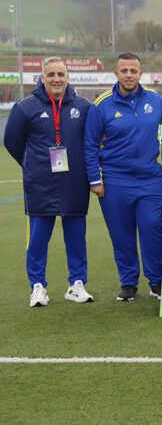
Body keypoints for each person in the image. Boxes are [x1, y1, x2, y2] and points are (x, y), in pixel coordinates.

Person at [84, 52, 162, 301]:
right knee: (121, 233)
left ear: (140, 73)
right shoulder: (101, 104)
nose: (129, 75)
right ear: (116, 73)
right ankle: (128, 283)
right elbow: (90, 145)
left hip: (149, 180)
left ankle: (157, 282)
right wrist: (95, 180)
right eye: (124, 70)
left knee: (152, 227)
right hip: (114, 181)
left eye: (133, 70)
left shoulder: (154, 100)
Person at [4, 57, 93, 306]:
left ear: (68, 77)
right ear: (42, 78)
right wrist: (33, 164)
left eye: (61, 74)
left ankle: (76, 284)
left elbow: (92, 140)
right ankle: (38, 286)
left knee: (76, 236)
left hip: (74, 180)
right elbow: (12, 141)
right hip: (40, 183)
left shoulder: (83, 107)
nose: (56, 79)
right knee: (38, 239)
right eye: (51, 74)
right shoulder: (25, 107)